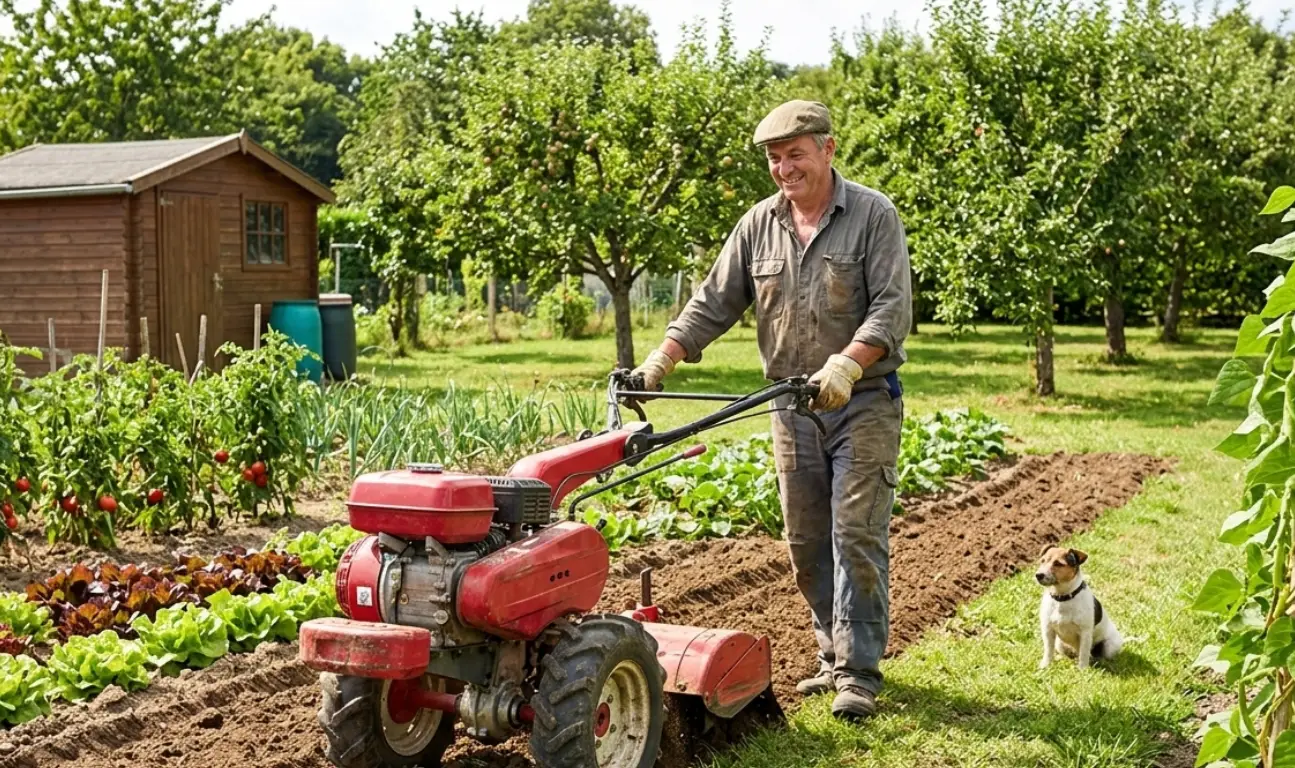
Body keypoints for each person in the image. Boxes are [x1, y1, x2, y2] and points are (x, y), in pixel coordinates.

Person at [630, 100, 911, 721]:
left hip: (861, 401)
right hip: (789, 405)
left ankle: (858, 673)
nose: (785, 169)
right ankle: (830, 656)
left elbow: (892, 311)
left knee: (854, 532)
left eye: (796, 155)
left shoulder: (872, 215)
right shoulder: (759, 224)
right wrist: (661, 361)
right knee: (806, 538)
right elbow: (713, 303)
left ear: (828, 150)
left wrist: (847, 363)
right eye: (774, 159)